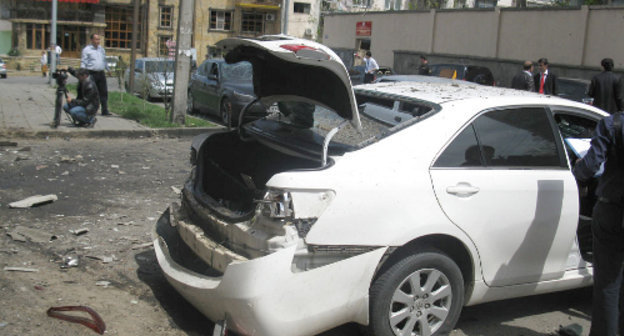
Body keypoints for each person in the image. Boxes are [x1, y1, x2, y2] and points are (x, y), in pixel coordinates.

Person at [573, 111, 624, 336]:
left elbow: (591, 166)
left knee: (608, 284)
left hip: (612, 210)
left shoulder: (613, 124)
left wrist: (578, 169)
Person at [81, 33, 110, 116]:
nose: (98, 41)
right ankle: (90, 110)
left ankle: (105, 110)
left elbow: (104, 60)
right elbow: (84, 62)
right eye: (96, 39)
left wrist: (108, 69)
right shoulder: (87, 50)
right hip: (91, 73)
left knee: (103, 92)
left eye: (99, 39)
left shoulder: (101, 50)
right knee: (92, 92)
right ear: (92, 40)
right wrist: (83, 73)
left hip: (101, 73)